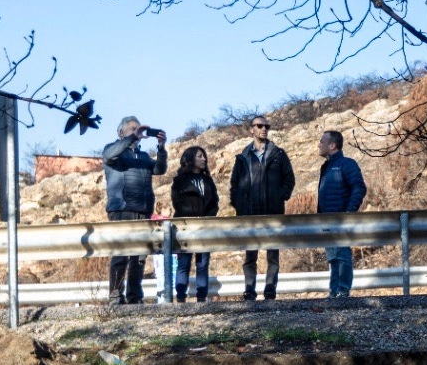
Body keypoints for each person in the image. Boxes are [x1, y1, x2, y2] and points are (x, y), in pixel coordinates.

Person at [229, 116, 295, 300]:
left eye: (266, 126)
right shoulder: (243, 157)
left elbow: (289, 179)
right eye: (259, 126)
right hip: (249, 213)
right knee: (250, 255)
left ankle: (270, 289)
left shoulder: (278, 154)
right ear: (251, 129)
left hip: (272, 211)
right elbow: (234, 185)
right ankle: (249, 289)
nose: (264, 129)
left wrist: (280, 196)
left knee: (273, 254)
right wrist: (238, 204)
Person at [103, 116, 167, 304]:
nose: (137, 132)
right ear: (121, 132)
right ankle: (115, 296)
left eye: (138, 129)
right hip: (122, 210)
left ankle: (134, 297)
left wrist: (161, 149)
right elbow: (108, 156)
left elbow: (160, 170)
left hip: (143, 211)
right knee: (120, 255)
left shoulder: (144, 156)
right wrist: (131, 139)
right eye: (132, 129)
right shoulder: (113, 150)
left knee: (139, 257)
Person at [317, 129, 367, 298]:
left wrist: (349, 212)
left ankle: (343, 292)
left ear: (332, 145)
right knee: (333, 257)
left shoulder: (347, 164)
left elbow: (359, 187)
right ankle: (334, 292)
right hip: (326, 220)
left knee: (342, 255)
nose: (319, 144)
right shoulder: (326, 167)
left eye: (322, 141)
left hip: (340, 219)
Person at [170, 146, 220, 302]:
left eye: (204, 156)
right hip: (185, 228)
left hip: (205, 228)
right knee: (184, 264)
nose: (204, 159)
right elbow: (177, 203)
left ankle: (201, 298)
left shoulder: (208, 180)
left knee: (203, 264)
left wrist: (207, 218)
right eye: (200, 156)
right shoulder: (180, 181)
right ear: (191, 159)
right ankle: (180, 298)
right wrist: (193, 217)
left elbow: (215, 202)